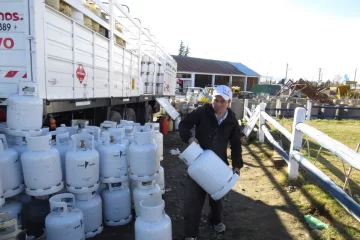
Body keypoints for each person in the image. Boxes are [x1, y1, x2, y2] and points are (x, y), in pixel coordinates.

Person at [178, 85, 243, 240]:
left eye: (222, 101)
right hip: (198, 162)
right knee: (193, 200)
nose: (218, 104)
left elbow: (236, 145)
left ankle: (215, 221)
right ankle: (190, 234)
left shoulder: (232, 121)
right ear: (212, 99)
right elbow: (183, 125)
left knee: (217, 198)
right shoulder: (202, 112)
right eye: (216, 100)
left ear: (229, 102)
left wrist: (236, 166)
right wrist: (189, 137)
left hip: (218, 164)